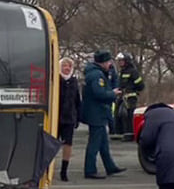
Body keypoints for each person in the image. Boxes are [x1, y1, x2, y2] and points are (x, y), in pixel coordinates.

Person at [81, 50, 126, 179]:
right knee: (94, 143)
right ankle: (90, 170)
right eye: (108, 61)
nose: (110, 64)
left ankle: (110, 166)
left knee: (103, 143)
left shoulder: (94, 73)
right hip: (96, 113)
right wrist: (113, 93)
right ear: (103, 62)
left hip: (96, 112)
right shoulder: (97, 76)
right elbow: (99, 94)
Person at [57, 57, 82, 181]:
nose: (67, 68)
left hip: (69, 118)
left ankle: (64, 171)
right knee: (51, 144)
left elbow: (77, 100)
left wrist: (77, 117)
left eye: (69, 66)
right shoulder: (55, 80)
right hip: (56, 118)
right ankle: (46, 169)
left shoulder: (74, 81)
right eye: (64, 66)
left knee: (68, 144)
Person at [114, 53, 147, 139]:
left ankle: (130, 134)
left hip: (130, 98)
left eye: (122, 61)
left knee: (128, 115)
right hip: (122, 97)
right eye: (119, 61)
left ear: (126, 61)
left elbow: (141, 85)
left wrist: (131, 89)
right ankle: (120, 133)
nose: (120, 63)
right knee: (118, 114)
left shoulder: (133, 71)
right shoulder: (122, 71)